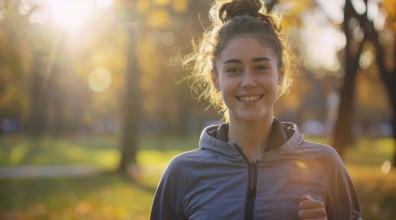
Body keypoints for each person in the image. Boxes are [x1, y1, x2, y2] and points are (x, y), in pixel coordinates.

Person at [150, 0, 361, 219]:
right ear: (215, 77)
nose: (248, 81)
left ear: (280, 73)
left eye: (260, 67)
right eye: (234, 69)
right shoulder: (182, 173)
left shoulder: (325, 164)